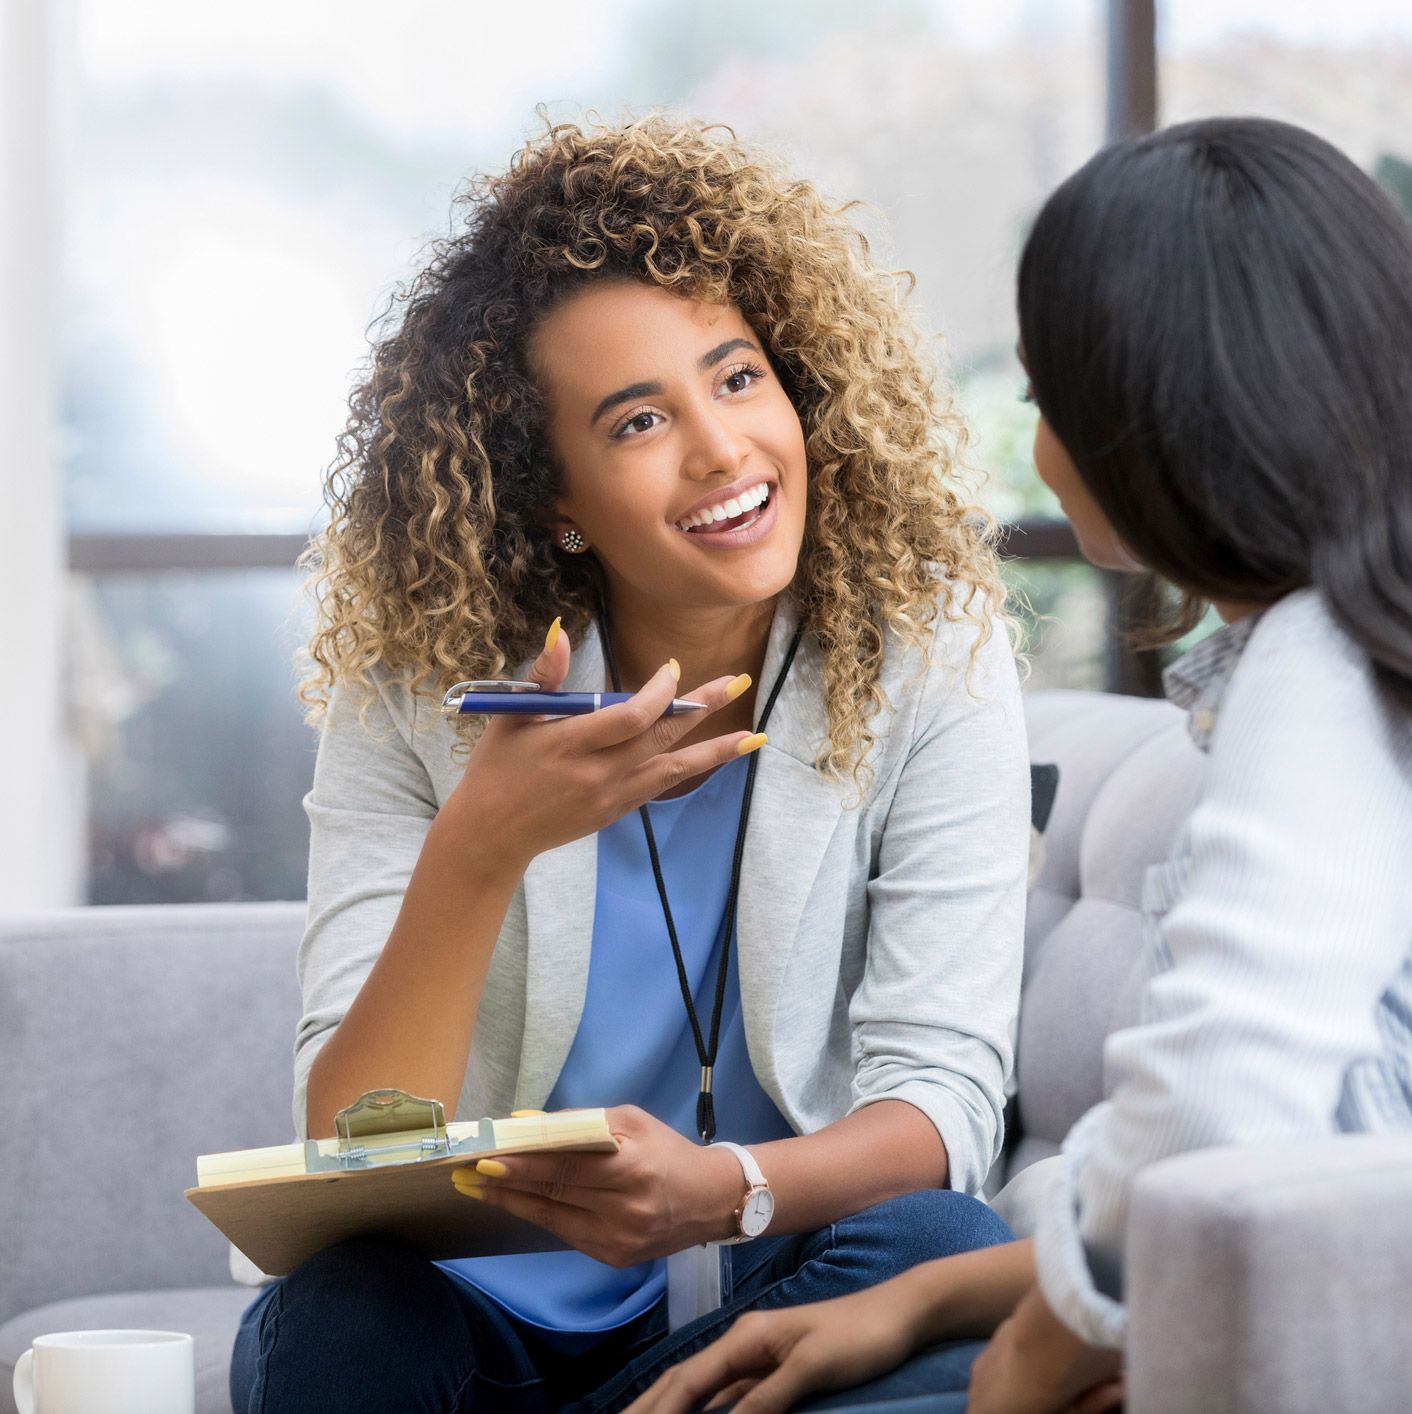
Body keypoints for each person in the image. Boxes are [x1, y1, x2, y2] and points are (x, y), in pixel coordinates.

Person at [626, 115, 1412, 1414]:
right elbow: (1338, 1149)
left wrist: (1032, 1360)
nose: (1037, 445)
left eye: (1047, 402)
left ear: (1161, 426)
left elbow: (1211, 1112)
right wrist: (927, 1299)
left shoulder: (1329, 676)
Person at [228, 116, 1029, 1414]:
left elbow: (940, 1103)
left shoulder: (930, 652)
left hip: (775, 1289)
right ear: (550, 493)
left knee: (945, 1247)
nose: (720, 450)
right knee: (332, 1321)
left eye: (736, 378)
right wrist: (481, 846)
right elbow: (343, 1151)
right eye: (640, 417)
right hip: (481, 1314)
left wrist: (729, 1189)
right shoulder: (418, 690)